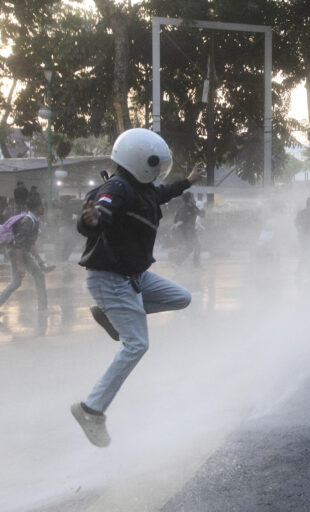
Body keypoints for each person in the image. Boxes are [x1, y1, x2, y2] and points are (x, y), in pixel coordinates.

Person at [70, 128, 205, 447]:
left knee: (181, 297)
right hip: (111, 277)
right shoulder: (116, 188)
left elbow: (163, 193)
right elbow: (99, 211)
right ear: (143, 162)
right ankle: (91, 409)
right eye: (156, 166)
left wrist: (188, 181)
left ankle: (111, 313)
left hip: (135, 276)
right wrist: (91, 222)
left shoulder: (142, 189)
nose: (159, 172)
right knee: (136, 345)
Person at [0, 196, 51, 313]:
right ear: (37, 208)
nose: (44, 208)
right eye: (42, 206)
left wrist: (40, 260)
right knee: (18, 282)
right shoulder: (27, 221)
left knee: (32, 277)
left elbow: (30, 244)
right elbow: (19, 245)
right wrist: (20, 265)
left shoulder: (33, 220)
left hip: (19, 252)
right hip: (16, 252)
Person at [172, 191, 203, 267]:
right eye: (192, 197)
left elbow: (200, 213)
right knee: (193, 247)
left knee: (193, 247)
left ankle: (178, 263)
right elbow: (180, 220)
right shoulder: (184, 209)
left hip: (192, 231)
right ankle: (179, 263)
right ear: (189, 199)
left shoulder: (193, 207)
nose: (194, 198)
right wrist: (176, 225)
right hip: (186, 232)